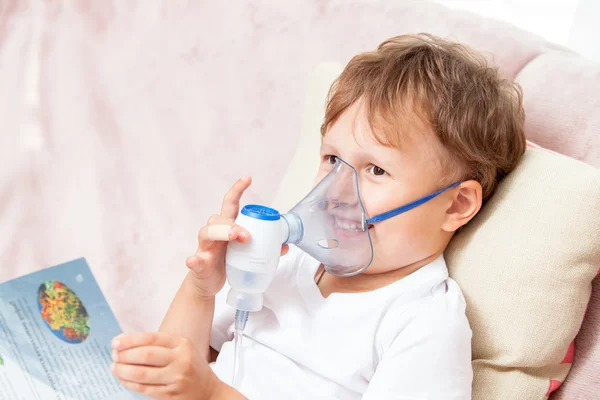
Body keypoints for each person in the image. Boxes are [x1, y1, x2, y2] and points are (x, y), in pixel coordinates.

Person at [109, 33, 526, 399]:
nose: (337, 192)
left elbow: (199, 388)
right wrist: (202, 287)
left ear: (455, 205)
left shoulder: (422, 323)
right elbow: (169, 376)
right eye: (332, 159)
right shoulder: (289, 261)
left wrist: (212, 395)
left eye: (376, 169)